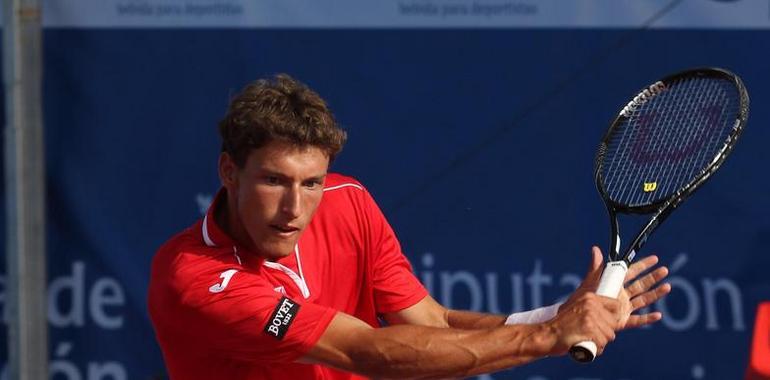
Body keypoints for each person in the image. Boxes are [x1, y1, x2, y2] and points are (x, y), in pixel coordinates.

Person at [148, 74, 671, 379]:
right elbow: (368, 351)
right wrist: (551, 334)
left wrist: (560, 316)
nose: (295, 208)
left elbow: (432, 325)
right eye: (273, 181)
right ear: (228, 172)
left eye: (311, 183)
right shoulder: (197, 280)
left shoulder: (347, 201)